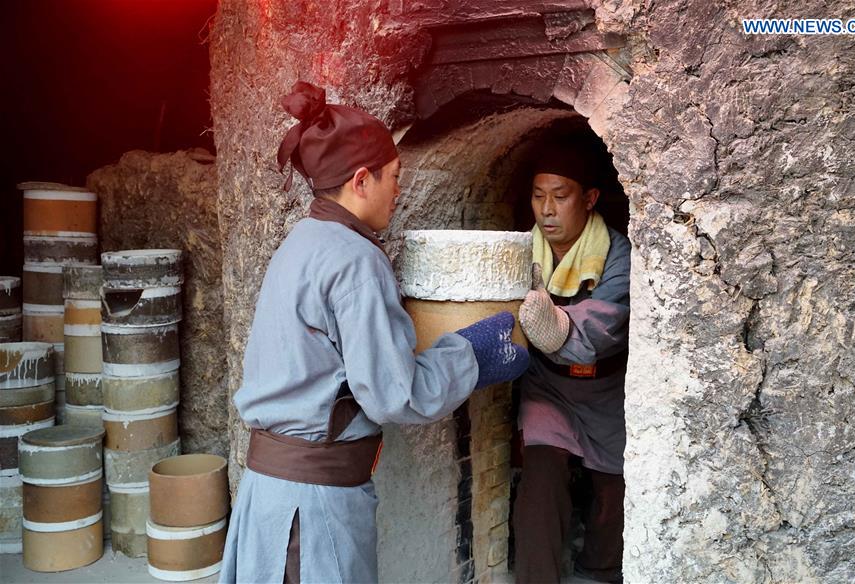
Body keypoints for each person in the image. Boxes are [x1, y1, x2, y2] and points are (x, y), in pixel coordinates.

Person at [219, 81, 530, 584]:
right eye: (393, 177)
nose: (398, 191)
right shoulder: (355, 260)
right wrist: (470, 355)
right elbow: (393, 394)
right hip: (310, 506)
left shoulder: (303, 242)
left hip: (273, 493)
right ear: (361, 180)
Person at [513, 143, 631, 584]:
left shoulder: (617, 256)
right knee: (541, 479)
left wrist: (554, 327)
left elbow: (604, 328)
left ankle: (597, 575)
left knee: (612, 492)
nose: (547, 209)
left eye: (560, 196)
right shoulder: (521, 251)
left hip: (606, 391)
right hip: (548, 386)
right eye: (538, 195)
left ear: (590, 198)